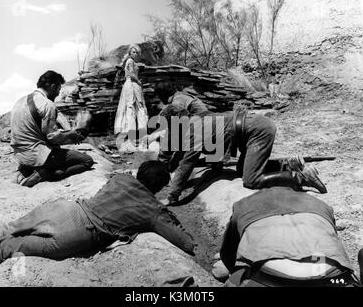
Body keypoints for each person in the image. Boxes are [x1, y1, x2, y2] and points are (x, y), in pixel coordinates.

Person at [0, 161, 195, 273]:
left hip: (65, 209)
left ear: (140, 174)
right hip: (79, 233)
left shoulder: (120, 178)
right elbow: (185, 243)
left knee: (6, 229)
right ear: (158, 188)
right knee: (9, 247)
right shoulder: (153, 210)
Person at [157, 105, 327, 205]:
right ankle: (288, 164)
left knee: (251, 180)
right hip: (250, 130)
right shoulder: (198, 119)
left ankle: (301, 176)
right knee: (241, 169)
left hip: (257, 131)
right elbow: (214, 142)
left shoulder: (193, 130)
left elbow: (187, 163)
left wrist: (172, 195)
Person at [219, 187, 361, 287]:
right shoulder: (320, 204)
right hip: (333, 279)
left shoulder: (244, 204)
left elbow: (228, 254)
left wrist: (237, 274)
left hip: (270, 279)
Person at [10, 70, 94, 188]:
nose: (58, 94)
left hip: (20, 156)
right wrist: (72, 135)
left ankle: (26, 170)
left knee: (57, 152)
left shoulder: (20, 101)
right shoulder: (47, 104)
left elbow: (36, 131)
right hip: (37, 156)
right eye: (59, 90)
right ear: (53, 87)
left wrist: (66, 133)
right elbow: (52, 137)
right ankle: (46, 174)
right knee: (87, 161)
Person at [114, 44, 148, 151]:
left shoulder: (131, 62)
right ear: (130, 53)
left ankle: (134, 142)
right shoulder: (130, 61)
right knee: (137, 111)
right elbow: (132, 75)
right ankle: (140, 142)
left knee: (133, 111)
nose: (135, 54)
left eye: (137, 52)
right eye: (133, 52)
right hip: (132, 85)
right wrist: (139, 81)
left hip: (130, 85)